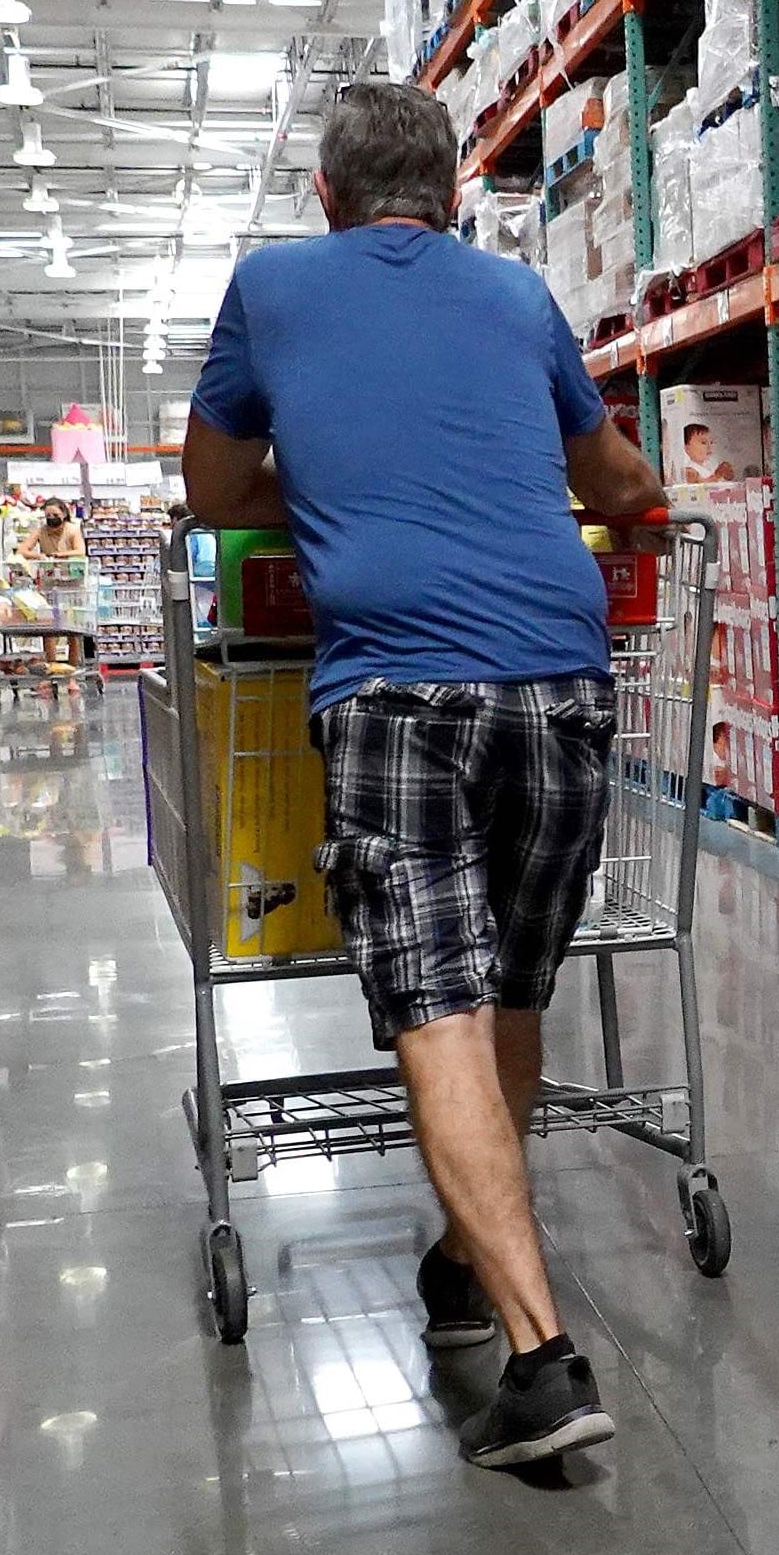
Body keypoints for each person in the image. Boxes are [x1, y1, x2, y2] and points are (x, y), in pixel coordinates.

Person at [182, 80, 665, 1471]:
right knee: (510, 991)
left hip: (397, 696)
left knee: (441, 1011)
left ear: (326, 196)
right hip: (562, 685)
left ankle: (541, 1360)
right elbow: (618, 483)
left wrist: (336, 489)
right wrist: (632, 496)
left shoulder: (272, 287)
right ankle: (464, 1259)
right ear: (453, 197)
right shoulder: (518, 297)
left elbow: (214, 491)